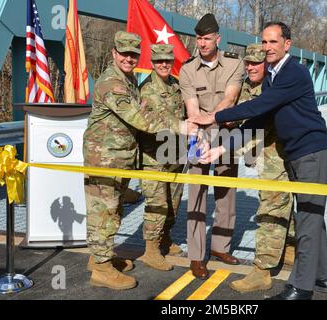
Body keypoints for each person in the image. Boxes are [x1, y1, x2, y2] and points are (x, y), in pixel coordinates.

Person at [189, 22, 327, 300]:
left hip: (312, 152)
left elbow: (258, 106)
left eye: (273, 42)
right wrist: (221, 149)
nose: (267, 47)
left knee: (307, 218)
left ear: (287, 44)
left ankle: (302, 288)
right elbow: (258, 120)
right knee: (312, 214)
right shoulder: (273, 77)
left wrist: (215, 116)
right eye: (264, 42)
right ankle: (322, 276)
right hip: (296, 153)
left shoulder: (294, 72)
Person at [83, 31, 196, 290]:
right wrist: (181, 126)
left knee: (112, 212)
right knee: (104, 212)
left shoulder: (129, 79)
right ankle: (101, 269)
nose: (129, 58)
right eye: (124, 53)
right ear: (113, 53)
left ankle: (101, 257)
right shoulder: (113, 83)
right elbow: (141, 119)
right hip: (104, 158)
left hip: (120, 158)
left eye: (133, 54)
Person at [179, 13, 245, 279]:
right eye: (198, 38)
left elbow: (230, 99)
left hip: (226, 132)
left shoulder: (234, 64)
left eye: (207, 38)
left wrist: (212, 122)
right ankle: (196, 256)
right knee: (196, 197)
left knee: (226, 195)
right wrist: (201, 138)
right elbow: (192, 109)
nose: (202, 43)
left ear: (217, 38)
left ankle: (220, 247)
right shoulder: (187, 69)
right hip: (198, 134)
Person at [228, 44, 295, 293]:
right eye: (248, 63)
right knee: (282, 204)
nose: (251, 67)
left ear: (267, 64)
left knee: (271, 208)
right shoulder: (247, 85)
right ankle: (289, 248)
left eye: (256, 63)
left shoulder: (273, 87)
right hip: (264, 158)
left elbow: (259, 126)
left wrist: (225, 150)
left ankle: (262, 270)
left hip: (278, 157)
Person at [138, 44, 185, 271]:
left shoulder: (175, 86)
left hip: (175, 156)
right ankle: (151, 249)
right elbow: (146, 124)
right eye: (159, 61)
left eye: (168, 60)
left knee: (173, 203)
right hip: (153, 158)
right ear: (152, 63)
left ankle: (166, 238)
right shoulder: (146, 90)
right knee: (157, 204)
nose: (164, 64)